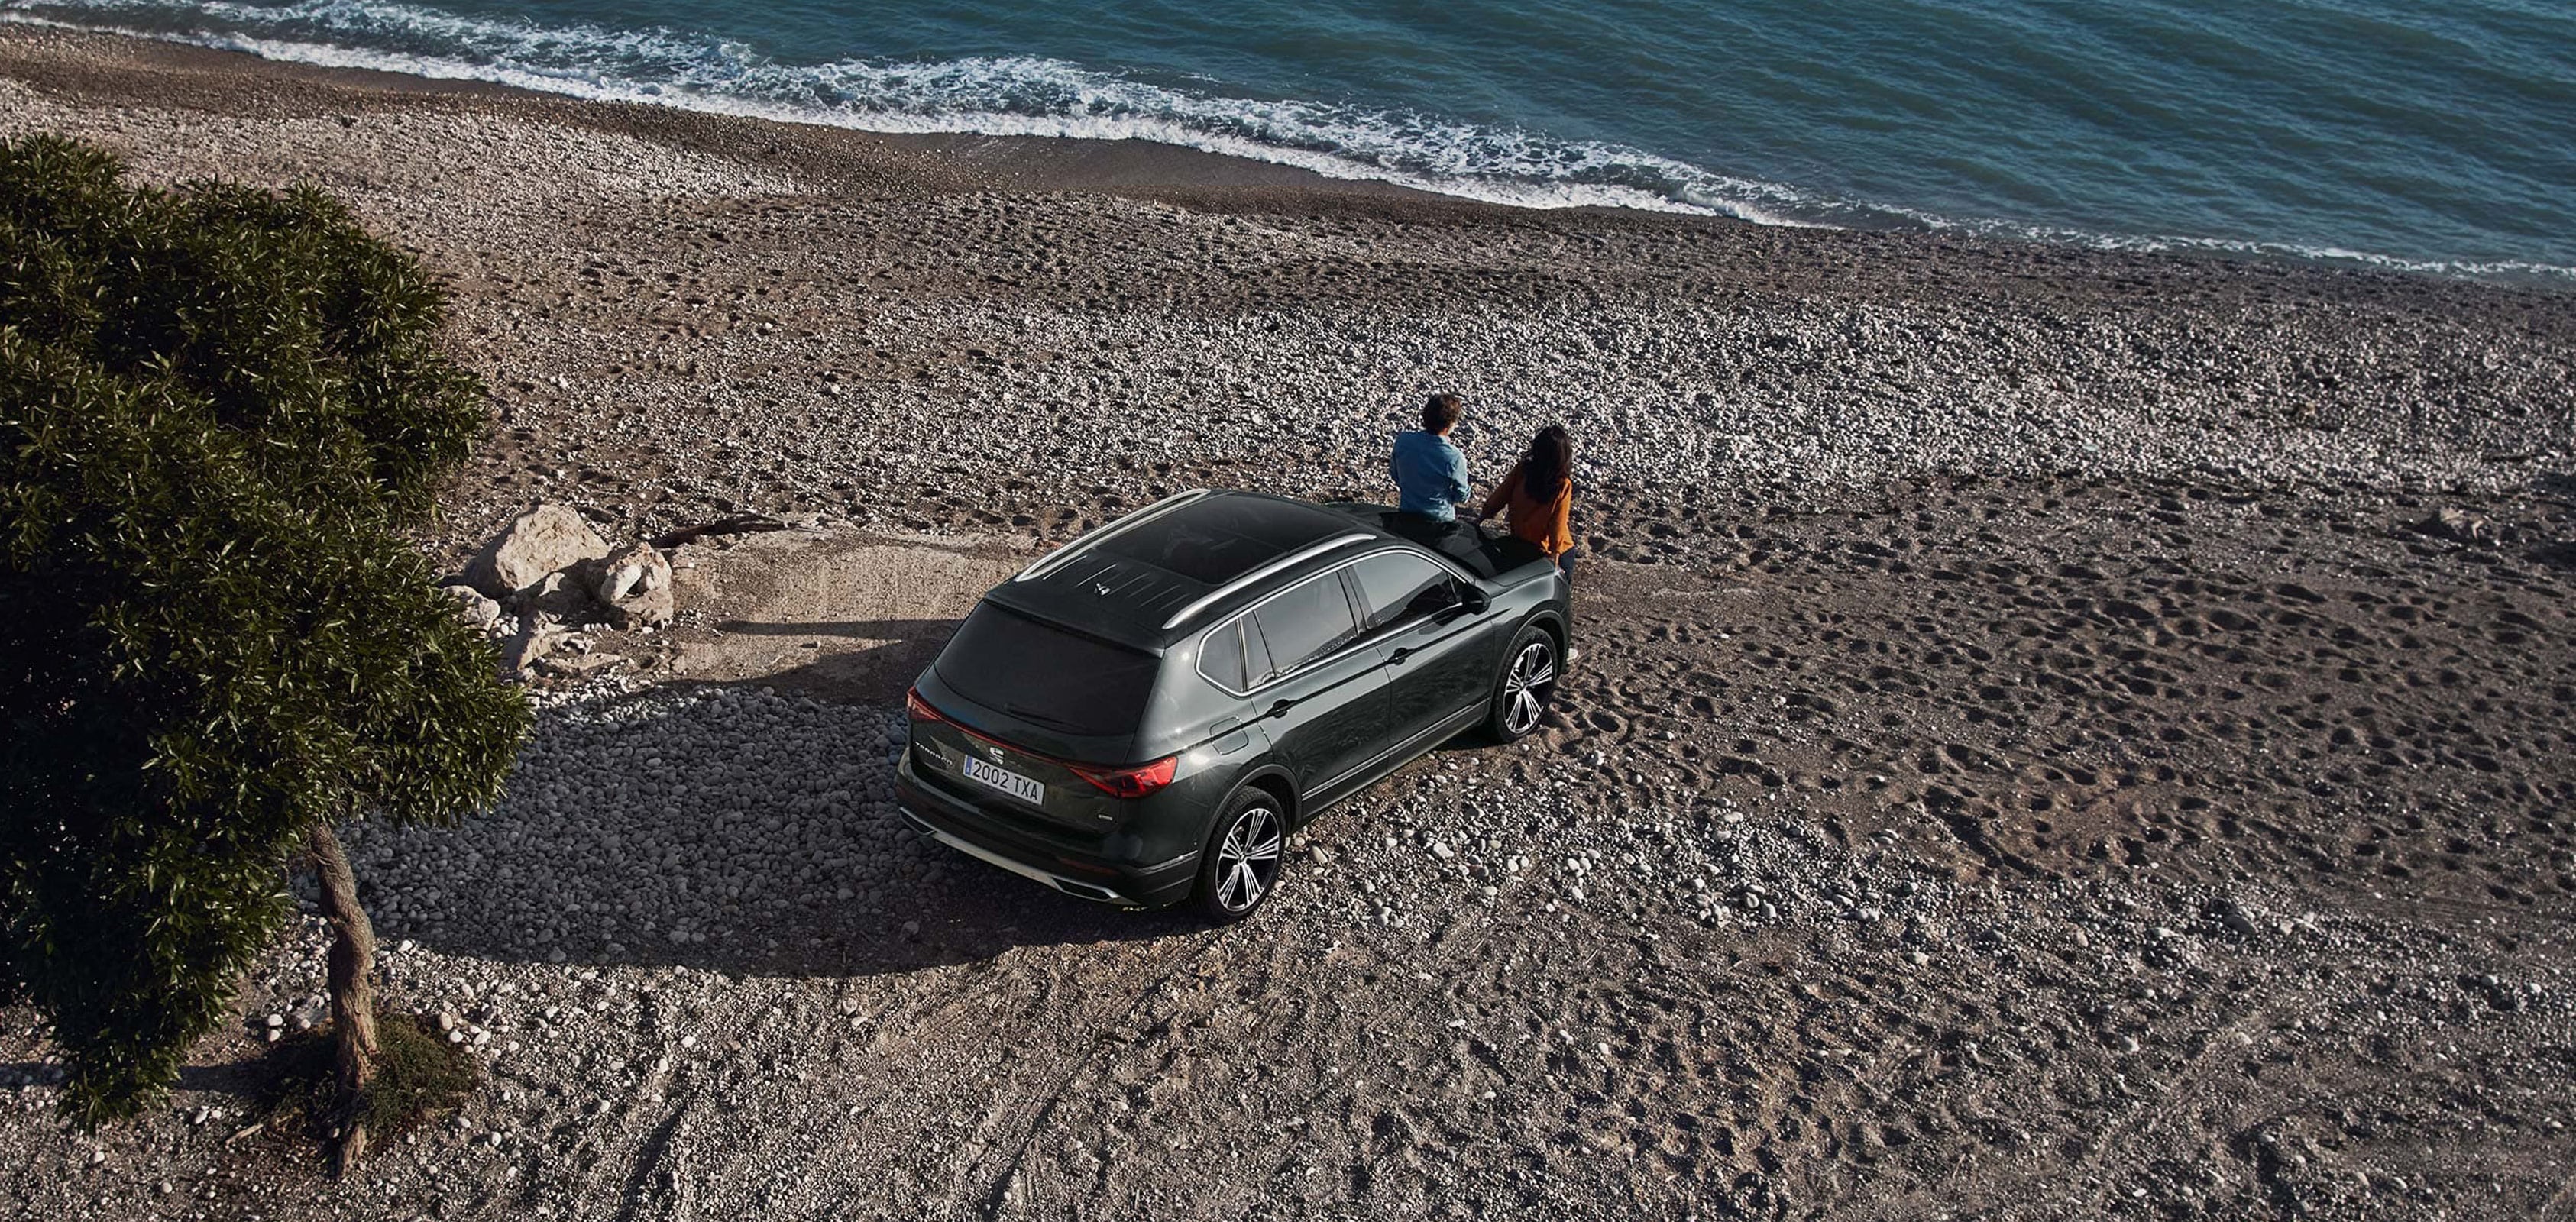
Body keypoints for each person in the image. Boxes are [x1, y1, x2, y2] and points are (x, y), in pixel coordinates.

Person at [1477, 424, 1575, 576]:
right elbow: (1558, 524)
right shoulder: (1562, 484)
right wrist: (1555, 555)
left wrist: (1480, 519)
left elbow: (1498, 498)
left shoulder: (1523, 471)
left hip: (1530, 545)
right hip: (1546, 548)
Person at [1389, 393, 1472, 523]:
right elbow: (1462, 496)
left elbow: (1395, 474)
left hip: (1406, 515)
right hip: (1440, 522)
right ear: (1449, 425)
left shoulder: (1403, 441)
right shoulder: (1454, 457)